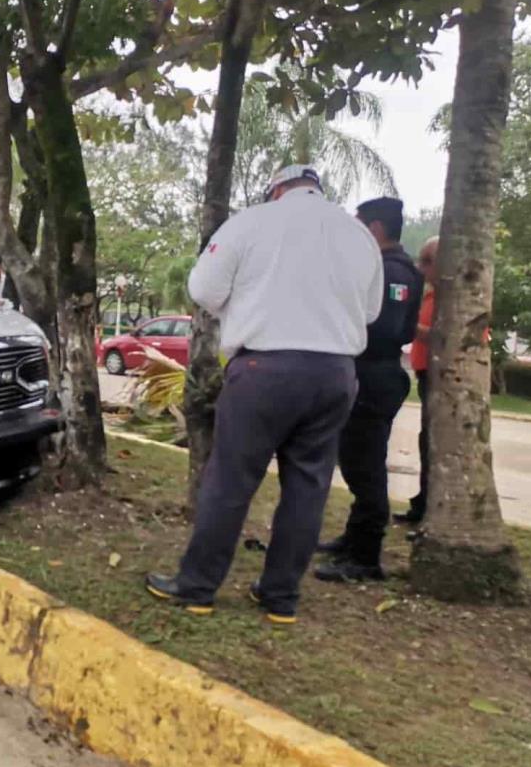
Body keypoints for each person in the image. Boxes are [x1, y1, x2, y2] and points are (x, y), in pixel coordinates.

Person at [145, 165, 382, 625]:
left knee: (231, 480)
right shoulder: (358, 234)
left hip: (264, 368)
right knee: (308, 486)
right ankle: (280, 598)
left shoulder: (252, 221)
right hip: (335, 372)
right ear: (316, 189)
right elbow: (369, 311)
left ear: (277, 189)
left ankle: (197, 587)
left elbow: (203, 289)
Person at [315, 198, 424, 582]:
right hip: (370, 373)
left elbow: (389, 329)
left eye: (359, 225)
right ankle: (353, 538)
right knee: (358, 462)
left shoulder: (395, 272)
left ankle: (365, 557)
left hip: (374, 376)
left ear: (375, 229)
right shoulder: (387, 267)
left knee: (366, 467)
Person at [394, 235, 438, 525]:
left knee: (434, 446)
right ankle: (420, 507)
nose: (421, 268)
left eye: (428, 261)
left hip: (439, 379)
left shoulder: (457, 301)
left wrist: (410, 327)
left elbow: (446, 335)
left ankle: (428, 512)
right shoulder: (430, 295)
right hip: (424, 376)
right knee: (426, 444)